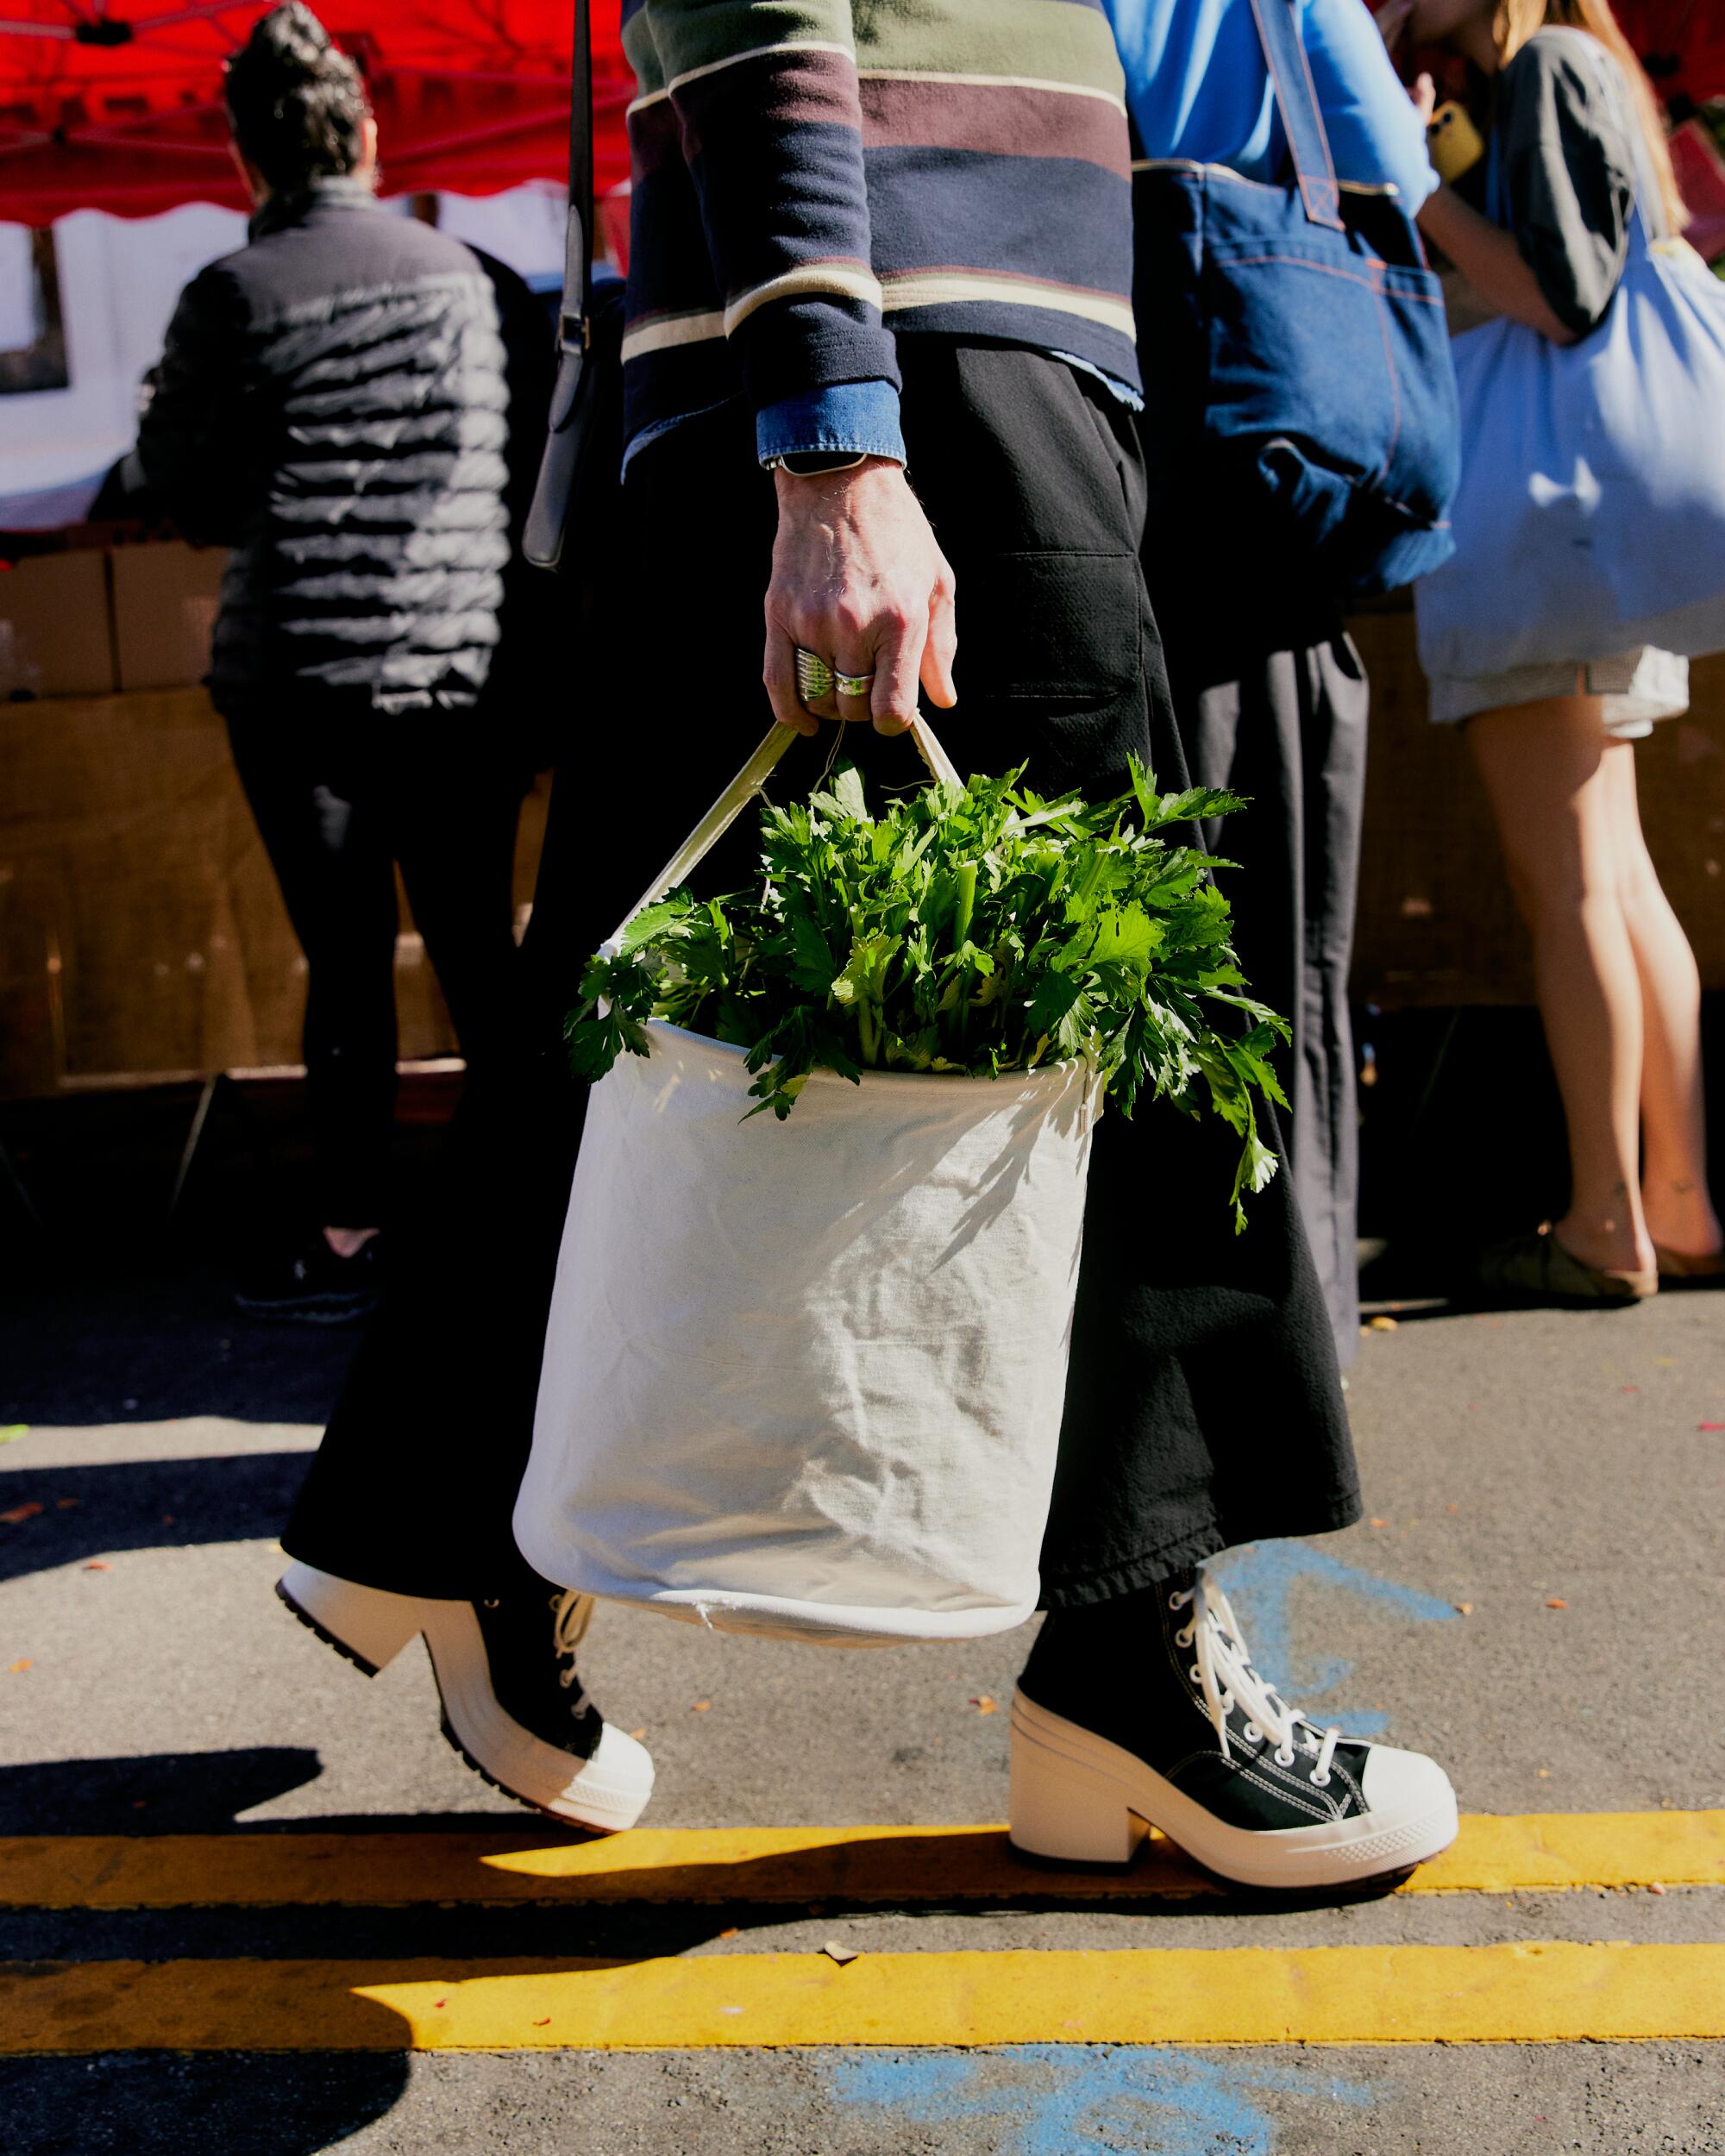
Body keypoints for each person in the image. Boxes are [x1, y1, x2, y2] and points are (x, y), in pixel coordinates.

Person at [275, 0, 1458, 1885]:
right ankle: (1131, 1663)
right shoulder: (867, 402)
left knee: (633, 985)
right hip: (921, 356)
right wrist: (835, 433)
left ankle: (443, 1516)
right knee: (1121, 1009)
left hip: (863, 351)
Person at [132, 4, 538, 1324]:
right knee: (481, 950)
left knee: (348, 963)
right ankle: (539, 1222)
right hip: (466, 675)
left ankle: (353, 1237)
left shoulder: (229, 296)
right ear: (367, 134)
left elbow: (182, 493)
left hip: (300, 684)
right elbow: (535, 477)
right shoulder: (483, 280)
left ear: (244, 158)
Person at [1103, 0, 1441, 1366]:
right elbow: (1397, 183)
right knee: (1281, 963)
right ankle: (1291, 1337)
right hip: (1276, 536)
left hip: (1110, 503)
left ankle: (1150, 1350)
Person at [1405, 0, 1724, 1300]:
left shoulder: (1542, 66)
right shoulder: (1581, 68)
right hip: (1597, 529)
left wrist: (1415, 182)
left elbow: (1561, 296)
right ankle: (1676, 1204)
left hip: (1542, 530)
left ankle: (1604, 1218)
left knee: (1574, 890)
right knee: (1622, 881)